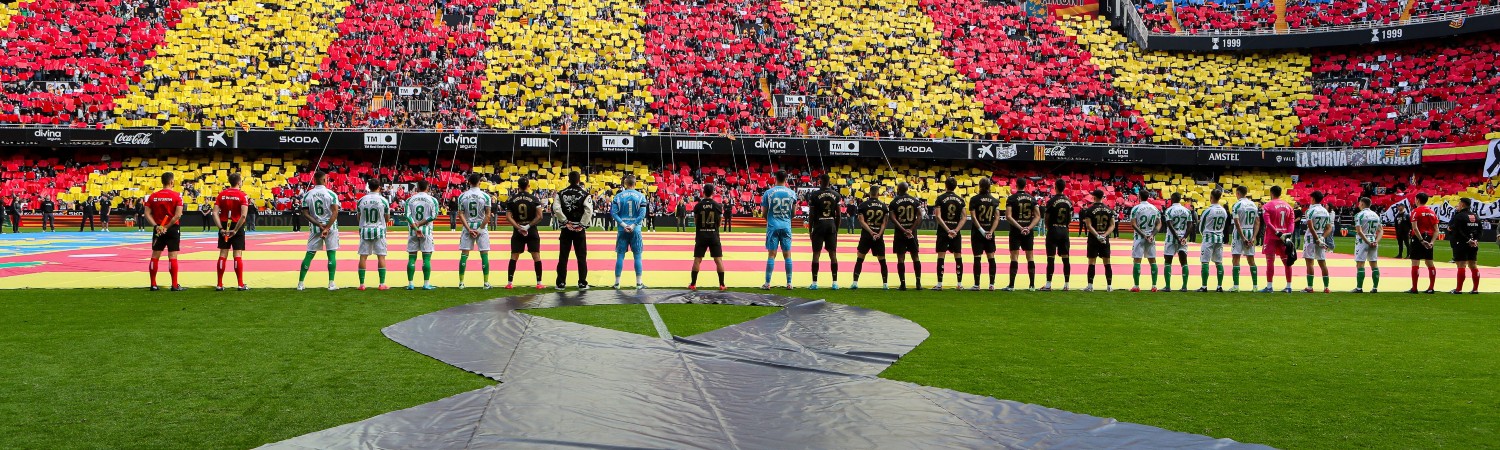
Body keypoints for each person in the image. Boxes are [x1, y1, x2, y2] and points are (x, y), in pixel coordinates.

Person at [297, 171, 341, 291]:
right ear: (324, 180)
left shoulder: (308, 195)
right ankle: (331, 283)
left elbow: (305, 213)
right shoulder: (331, 194)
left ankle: (300, 283)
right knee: (331, 254)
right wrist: (326, 228)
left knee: (309, 254)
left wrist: (318, 224)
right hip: (331, 227)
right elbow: (335, 212)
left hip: (315, 227)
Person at [145, 172, 186, 291]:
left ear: (162, 182)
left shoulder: (153, 196)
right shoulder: (177, 196)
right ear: (172, 182)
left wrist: (156, 226)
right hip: (172, 228)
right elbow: (178, 215)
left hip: (158, 228)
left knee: (155, 255)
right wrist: (167, 227)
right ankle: (174, 284)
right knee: (172, 256)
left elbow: (147, 213)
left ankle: (153, 284)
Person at [554, 171, 594, 290]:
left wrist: (565, 221)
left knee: (563, 256)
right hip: (579, 229)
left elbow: (556, 208)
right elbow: (589, 211)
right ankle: (582, 282)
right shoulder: (585, 194)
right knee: (581, 256)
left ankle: (561, 283)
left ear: (569, 180)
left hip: (566, 228)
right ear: (578, 180)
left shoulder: (560, 193)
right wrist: (582, 224)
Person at [504, 178, 546, 290]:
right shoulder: (534, 199)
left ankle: (509, 282)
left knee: (514, 256)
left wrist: (518, 227)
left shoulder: (512, 199)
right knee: (536, 255)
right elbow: (540, 216)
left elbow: (508, 217)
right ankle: (539, 283)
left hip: (518, 229)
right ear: (528, 185)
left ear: (518, 186)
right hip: (531, 229)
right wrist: (527, 226)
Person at [211, 173, 250, 291]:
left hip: (224, 225)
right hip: (236, 225)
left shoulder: (221, 194)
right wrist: (236, 230)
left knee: (223, 254)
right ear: (239, 182)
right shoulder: (242, 196)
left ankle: (219, 284)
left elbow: (214, 213)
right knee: (237, 254)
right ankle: (240, 284)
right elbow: (243, 216)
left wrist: (221, 229)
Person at [456, 174, 494, 290]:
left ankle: (461, 283)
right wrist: (479, 229)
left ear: (468, 182)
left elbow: (460, 214)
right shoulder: (485, 197)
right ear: (479, 182)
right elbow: (488, 215)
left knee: (464, 254)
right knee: (484, 254)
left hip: (468, 227)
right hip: (481, 228)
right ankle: (486, 283)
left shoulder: (462, 197)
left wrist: (468, 229)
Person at [762, 171, 798, 290]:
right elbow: (793, 213)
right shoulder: (792, 193)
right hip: (786, 226)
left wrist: (771, 219)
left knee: (771, 255)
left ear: (775, 178)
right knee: (787, 255)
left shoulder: (768, 193)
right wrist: (786, 218)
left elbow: (764, 213)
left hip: (773, 226)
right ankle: (789, 283)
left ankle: (767, 283)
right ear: (786, 179)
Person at [610, 174, 648, 290]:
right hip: (635, 230)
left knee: (620, 256)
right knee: (637, 256)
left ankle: (617, 283)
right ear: (635, 183)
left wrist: (624, 225)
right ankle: (639, 283)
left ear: (625, 184)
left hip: (622, 229)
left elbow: (614, 213)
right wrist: (633, 225)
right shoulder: (641, 196)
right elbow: (642, 214)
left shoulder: (618, 197)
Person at [806, 174, 842, 290]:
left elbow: (811, 214)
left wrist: (810, 229)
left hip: (819, 225)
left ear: (820, 181)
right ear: (829, 181)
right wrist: (836, 229)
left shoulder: (815, 195)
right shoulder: (836, 195)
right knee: (833, 254)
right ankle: (835, 282)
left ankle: (814, 283)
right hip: (831, 224)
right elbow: (839, 215)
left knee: (816, 254)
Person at [689, 184, 727, 291]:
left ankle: (693, 284)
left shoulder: (698, 206)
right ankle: (722, 284)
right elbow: (720, 223)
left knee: (697, 260)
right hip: (714, 235)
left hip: (701, 235)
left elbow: (696, 222)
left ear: (703, 192)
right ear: (713, 193)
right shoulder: (717, 206)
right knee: (718, 259)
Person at [355, 181, 392, 291]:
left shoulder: (361, 200)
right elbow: (387, 217)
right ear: (379, 187)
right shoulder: (384, 201)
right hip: (379, 230)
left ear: (369, 187)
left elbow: (358, 217)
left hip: (365, 229)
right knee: (381, 256)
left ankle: (362, 284)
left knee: (363, 256)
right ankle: (382, 283)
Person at [967, 178, 1002, 291]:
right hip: (990, 232)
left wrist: (981, 230)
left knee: (977, 257)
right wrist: (990, 231)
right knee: (991, 257)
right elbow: (997, 218)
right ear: (989, 186)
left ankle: (977, 284)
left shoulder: (974, 199)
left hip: (978, 232)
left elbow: (973, 217)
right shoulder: (995, 200)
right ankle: (992, 284)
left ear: (979, 186)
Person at [851, 185, 890, 290]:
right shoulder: (884, 206)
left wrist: (870, 232)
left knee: (860, 259)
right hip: (878, 236)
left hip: (866, 236)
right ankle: (885, 284)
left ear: (869, 193)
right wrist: (878, 233)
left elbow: (861, 220)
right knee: (882, 260)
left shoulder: (863, 205)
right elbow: (884, 223)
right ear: (878, 193)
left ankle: (855, 282)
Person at [932, 177, 967, 290]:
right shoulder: (960, 200)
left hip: (943, 232)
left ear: (945, 185)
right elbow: (964, 217)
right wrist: (956, 230)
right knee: (958, 256)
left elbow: (938, 216)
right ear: (955, 186)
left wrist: (947, 230)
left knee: (941, 256)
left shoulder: (940, 198)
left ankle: (939, 284)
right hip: (956, 233)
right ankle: (960, 283)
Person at [1002, 178, 1037, 291]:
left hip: (1016, 231)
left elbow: (1008, 216)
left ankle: (1011, 285)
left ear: (1016, 185)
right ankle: (1032, 285)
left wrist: (1020, 227)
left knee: (1014, 257)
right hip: (1028, 230)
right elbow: (1037, 216)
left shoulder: (1011, 198)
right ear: (1025, 186)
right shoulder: (1032, 199)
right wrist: (1028, 228)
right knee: (1030, 257)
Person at [405, 180, 441, 290]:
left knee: (412, 258)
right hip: (426, 231)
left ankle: (411, 284)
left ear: (417, 187)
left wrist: (416, 227)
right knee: (426, 258)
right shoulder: (433, 200)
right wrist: (420, 224)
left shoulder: (409, 200)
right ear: (428, 187)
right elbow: (434, 216)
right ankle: (426, 284)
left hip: (413, 231)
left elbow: (407, 216)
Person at [1259, 186, 1296, 293]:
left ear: (1271, 193)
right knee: (1287, 262)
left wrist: (1277, 233)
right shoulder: (1288, 206)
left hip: (1271, 237)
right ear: (1281, 193)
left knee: (1270, 262)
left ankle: (1269, 287)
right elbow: (1291, 222)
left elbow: (1268, 223)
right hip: (1284, 237)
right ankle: (1288, 286)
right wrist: (1287, 235)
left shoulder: (1267, 206)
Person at [889, 182, 924, 291]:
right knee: (915, 257)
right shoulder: (914, 200)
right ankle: (918, 283)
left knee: (900, 258)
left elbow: (893, 218)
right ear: (907, 189)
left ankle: (903, 284)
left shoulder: (894, 201)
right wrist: (911, 229)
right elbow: (919, 216)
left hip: (900, 233)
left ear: (898, 189)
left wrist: (903, 229)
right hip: (912, 233)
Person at [1041, 179, 1073, 291]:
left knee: (1051, 258)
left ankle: (1048, 284)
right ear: (1064, 187)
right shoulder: (1069, 201)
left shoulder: (1051, 201)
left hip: (1053, 229)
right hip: (1064, 230)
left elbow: (1047, 217)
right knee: (1066, 258)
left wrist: (1049, 228)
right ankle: (1067, 284)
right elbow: (1069, 218)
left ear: (1055, 187)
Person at [1082, 190, 1116, 292]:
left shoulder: (1089, 210)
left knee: (1092, 262)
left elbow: (1088, 225)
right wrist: (1104, 235)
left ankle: (1090, 286)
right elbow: (1112, 225)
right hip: (1105, 239)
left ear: (1094, 197)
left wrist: (1097, 235)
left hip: (1093, 238)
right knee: (1107, 262)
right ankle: (1109, 286)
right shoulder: (1109, 210)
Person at [1302, 191, 1334, 293]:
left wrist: (1316, 239)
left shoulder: (1310, 211)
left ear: (1313, 199)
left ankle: (1310, 287)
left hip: (1311, 238)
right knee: (1322, 262)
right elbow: (1329, 228)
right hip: (1321, 236)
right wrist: (1322, 238)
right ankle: (1326, 287)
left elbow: (1310, 227)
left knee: (1309, 262)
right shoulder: (1325, 211)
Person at [1129, 191, 1162, 292]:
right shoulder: (1154, 209)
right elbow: (1159, 224)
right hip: (1151, 238)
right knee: (1152, 260)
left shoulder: (1136, 208)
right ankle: (1154, 285)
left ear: (1139, 197)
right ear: (1148, 197)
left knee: (1137, 260)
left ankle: (1136, 285)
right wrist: (1152, 234)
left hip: (1139, 237)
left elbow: (1133, 224)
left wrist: (1143, 234)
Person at [1197, 189, 1228, 292]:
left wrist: (1204, 235)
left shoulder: (1208, 210)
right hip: (1219, 238)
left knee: (1205, 262)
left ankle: (1204, 286)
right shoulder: (1224, 211)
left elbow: (1201, 226)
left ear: (1211, 197)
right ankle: (1219, 286)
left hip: (1209, 237)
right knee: (1219, 262)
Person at [1230, 186, 1261, 292]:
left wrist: (1242, 237)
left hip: (1240, 234)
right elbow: (1257, 222)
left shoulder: (1236, 205)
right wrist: (1254, 237)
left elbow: (1237, 222)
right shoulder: (1253, 205)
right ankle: (1255, 286)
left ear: (1238, 193)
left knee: (1236, 259)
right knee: (1251, 260)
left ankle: (1236, 286)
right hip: (1250, 232)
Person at [1447, 198, 1480, 294]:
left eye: (1459, 203)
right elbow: (1480, 230)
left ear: (1462, 204)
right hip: (1473, 244)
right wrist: (1475, 240)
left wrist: (1467, 240)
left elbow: (1458, 231)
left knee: (1461, 265)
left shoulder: (1459, 216)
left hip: (1461, 243)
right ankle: (1475, 289)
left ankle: (1458, 289)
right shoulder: (1475, 216)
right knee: (1473, 265)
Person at [1408, 193, 1439, 294]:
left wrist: (1421, 240)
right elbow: (1436, 230)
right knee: (1429, 263)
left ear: (1417, 200)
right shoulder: (1431, 212)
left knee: (1415, 262)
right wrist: (1432, 242)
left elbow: (1415, 228)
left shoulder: (1416, 211)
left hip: (1418, 238)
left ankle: (1414, 288)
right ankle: (1431, 287)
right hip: (1429, 238)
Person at [1162, 193, 1192, 292]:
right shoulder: (1187, 211)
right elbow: (1190, 225)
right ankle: (1184, 286)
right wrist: (1184, 237)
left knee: (1168, 262)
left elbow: (1170, 225)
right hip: (1183, 239)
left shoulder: (1169, 210)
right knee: (1184, 262)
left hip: (1171, 239)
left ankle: (1167, 286)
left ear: (1172, 199)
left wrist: (1177, 237)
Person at [1351, 196, 1382, 293]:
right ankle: (1375, 287)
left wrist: (1367, 242)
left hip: (1362, 241)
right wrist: (1376, 241)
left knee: (1360, 264)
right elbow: (1381, 231)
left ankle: (1359, 288)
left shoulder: (1359, 215)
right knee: (1374, 264)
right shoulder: (1376, 215)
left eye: (1359, 203)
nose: (1359, 205)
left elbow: (1359, 231)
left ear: (1362, 204)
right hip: (1373, 239)